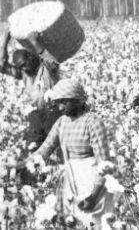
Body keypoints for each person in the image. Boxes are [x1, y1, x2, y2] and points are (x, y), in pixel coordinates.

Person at [11, 79, 114, 229]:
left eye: (64, 102)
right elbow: (44, 150)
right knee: (72, 222)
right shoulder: (62, 122)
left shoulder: (93, 123)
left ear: (77, 100)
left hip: (92, 183)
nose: (60, 107)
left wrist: (93, 196)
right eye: (58, 103)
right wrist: (20, 165)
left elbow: (104, 164)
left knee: (93, 223)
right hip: (72, 181)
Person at [0, 29, 61, 148]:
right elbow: (2, 66)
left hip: (55, 111)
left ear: (30, 58)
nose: (24, 69)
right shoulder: (24, 73)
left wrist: (35, 42)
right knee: (34, 140)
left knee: (52, 138)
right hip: (38, 114)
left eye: (24, 65)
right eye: (21, 67)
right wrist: (4, 43)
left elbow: (53, 62)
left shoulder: (46, 68)